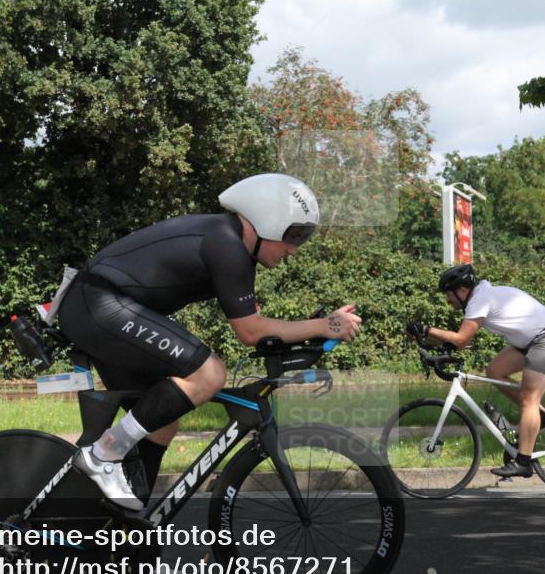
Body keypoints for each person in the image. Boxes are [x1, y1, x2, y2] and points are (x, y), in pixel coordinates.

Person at [56, 173, 362, 510]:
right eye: (293, 236)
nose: (293, 249)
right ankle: (103, 455)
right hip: (97, 303)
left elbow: (257, 326)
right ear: (267, 220)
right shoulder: (225, 244)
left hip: (101, 308)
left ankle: (122, 533)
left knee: (162, 421)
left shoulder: (236, 248)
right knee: (210, 373)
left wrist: (318, 329)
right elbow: (250, 332)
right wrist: (323, 325)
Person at [406, 264, 545, 478]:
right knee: (494, 371)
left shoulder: (479, 300)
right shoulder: (480, 297)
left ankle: (524, 462)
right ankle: (536, 418)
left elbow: (460, 339)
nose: (447, 300)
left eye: (449, 295)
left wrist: (425, 329)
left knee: (528, 399)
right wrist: (437, 348)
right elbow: (459, 343)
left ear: (462, 291)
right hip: (530, 341)